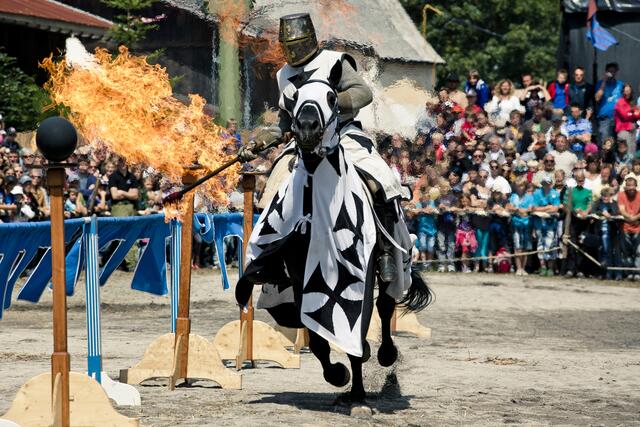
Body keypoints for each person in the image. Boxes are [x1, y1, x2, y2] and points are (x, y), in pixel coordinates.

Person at [261, 13, 410, 282]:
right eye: (289, 45)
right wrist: (262, 140)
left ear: (310, 40)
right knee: (272, 188)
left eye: (299, 43)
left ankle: (386, 251)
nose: (294, 50)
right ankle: (271, 256)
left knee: (381, 179)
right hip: (302, 142)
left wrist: (327, 101)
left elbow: (362, 92)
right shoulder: (283, 75)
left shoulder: (333, 61)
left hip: (342, 134)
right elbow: (284, 119)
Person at [108, 157, 140, 270]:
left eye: (124, 161)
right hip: (119, 207)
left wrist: (121, 192)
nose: (122, 163)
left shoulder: (132, 177)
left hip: (131, 207)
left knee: (131, 234)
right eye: (120, 161)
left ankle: (131, 263)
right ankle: (120, 262)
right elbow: (115, 195)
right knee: (121, 235)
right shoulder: (113, 177)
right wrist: (128, 193)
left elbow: (135, 195)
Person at [562, 170, 592, 277]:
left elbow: (590, 203)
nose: (580, 182)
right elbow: (566, 205)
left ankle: (580, 269)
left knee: (582, 245)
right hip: (572, 221)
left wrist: (586, 212)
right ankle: (571, 269)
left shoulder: (588, 191)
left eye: (582, 180)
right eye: (578, 180)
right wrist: (574, 211)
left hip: (584, 221)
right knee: (571, 244)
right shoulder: (569, 191)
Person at [533, 176, 561, 276]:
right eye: (544, 183)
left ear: (551, 184)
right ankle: (543, 267)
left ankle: (550, 268)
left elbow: (556, 208)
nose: (546, 185)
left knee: (550, 245)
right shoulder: (537, 193)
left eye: (548, 183)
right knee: (540, 245)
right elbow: (534, 208)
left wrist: (543, 208)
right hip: (539, 223)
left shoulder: (555, 193)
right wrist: (547, 207)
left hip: (551, 224)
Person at [592, 187, 622, 280]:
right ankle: (606, 273)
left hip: (613, 232)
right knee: (604, 253)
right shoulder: (598, 203)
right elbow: (593, 211)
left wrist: (610, 216)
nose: (605, 198)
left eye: (607, 196)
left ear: (611, 196)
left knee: (616, 253)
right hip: (600, 232)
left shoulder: (614, 204)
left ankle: (618, 274)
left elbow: (616, 213)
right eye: (603, 196)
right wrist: (602, 213)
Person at [508, 178, 535, 275]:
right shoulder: (513, 196)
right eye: (518, 186)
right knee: (517, 246)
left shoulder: (530, 197)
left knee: (526, 246)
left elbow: (530, 209)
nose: (520, 188)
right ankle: (518, 268)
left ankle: (523, 268)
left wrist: (518, 210)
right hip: (516, 223)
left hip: (527, 223)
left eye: (522, 185)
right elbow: (510, 207)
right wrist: (520, 210)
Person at [595, 62, 624, 144]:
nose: (612, 73)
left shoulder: (620, 84)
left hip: (618, 118)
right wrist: (604, 81)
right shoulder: (600, 83)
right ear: (606, 72)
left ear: (616, 72)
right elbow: (597, 98)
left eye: (613, 71)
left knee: (618, 143)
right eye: (609, 71)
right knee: (604, 143)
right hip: (605, 118)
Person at [618, 176, 640, 280]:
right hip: (625, 227)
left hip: (638, 227)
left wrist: (634, 218)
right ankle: (628, 273)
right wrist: (630, 218)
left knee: (638, 252)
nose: (631, 188)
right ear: (625, 187)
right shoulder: (621, 195)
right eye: (629, 186)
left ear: (636, 186)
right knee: (627, 252)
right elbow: (622, 210)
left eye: (633, 186)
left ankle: (637, 273)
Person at [614, 84, 640, 155]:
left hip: (632, 128)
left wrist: (633, 113)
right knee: (625, 151)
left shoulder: (632, 102)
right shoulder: (620, 102)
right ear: (622, 92)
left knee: (632, 150)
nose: (627, 93)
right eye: (625, 91)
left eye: (629, 91)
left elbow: (638, 115)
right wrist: (634, 113)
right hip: (623, 129)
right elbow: (625, 115)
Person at [455, 194, 478, 273]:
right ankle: (464, 266)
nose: (464, 203)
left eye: (466, 201)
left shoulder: (472, 209)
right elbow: (457, 220)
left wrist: (470, 209)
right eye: (463, 201)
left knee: (470, 250)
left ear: (469, 201)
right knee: (464, 249)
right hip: (461, 232)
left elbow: (476, 211)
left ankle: (468, 266)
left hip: (470, 232)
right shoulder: (459, 210)